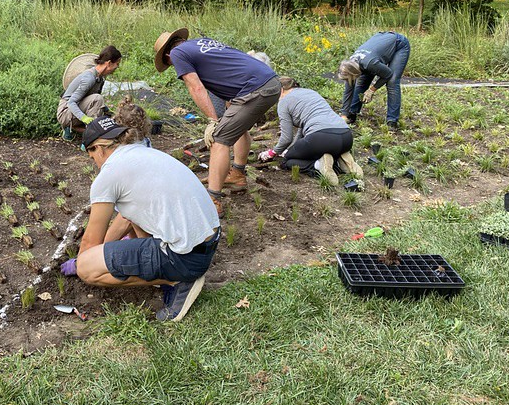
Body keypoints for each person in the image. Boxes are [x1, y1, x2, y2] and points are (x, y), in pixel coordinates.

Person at [61, 117, 220, 322]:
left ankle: (177, 281)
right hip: (208, 242)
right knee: (129, 217)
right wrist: (107, 252)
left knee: (87, 268)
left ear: (98, 148)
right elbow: (127, 217)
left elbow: (90, 241)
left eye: (92, 156)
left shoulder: (109, 174)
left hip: (186, 258)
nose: (95, 163)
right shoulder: (144, 152)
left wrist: (82, 263)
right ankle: (167, 267)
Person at [153, 29, 280, 216]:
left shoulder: (177, 54)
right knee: (237, 127)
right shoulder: (202, 44)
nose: (174, 67)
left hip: (255, 88)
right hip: (269, 81)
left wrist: (213, 121)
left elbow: (196, 87)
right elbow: (228, 68)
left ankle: (212, 200)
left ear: (167, 55)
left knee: (219, 138)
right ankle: (237, 175)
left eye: (170, 64)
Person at [258, 78, 363, 185]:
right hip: (346, 136)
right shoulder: (310, 92)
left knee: (287, 161)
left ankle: (318, 166)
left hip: (322, 138)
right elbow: (303, 129)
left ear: (281, 90)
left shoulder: (283, 102)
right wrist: (291, 149)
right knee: (300, 150)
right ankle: (342, 161)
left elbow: (286, 138)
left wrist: (273, 152)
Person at [338, 31, 411, 129]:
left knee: (392, 82)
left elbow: (388, 74)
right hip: (378, 46)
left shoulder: (370, 63)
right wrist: (344, 115)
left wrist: (372, 90)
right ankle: (351, 113)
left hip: (398, 44)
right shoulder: (350, 65)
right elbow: (348, 90)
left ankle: (392, 121)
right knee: (362, 81)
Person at [57, 46, 122, 139]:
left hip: (77, 108)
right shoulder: (89, 78)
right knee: (98, 100)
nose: (117, 67)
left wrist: (108, 112)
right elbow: (71, 102)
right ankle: (91, 139)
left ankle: (78, 129)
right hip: (65, 111)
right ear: (109, 63)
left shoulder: (100, 78)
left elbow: (90, 100)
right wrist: (84, 118)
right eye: (117, 64)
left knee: (103, 112)